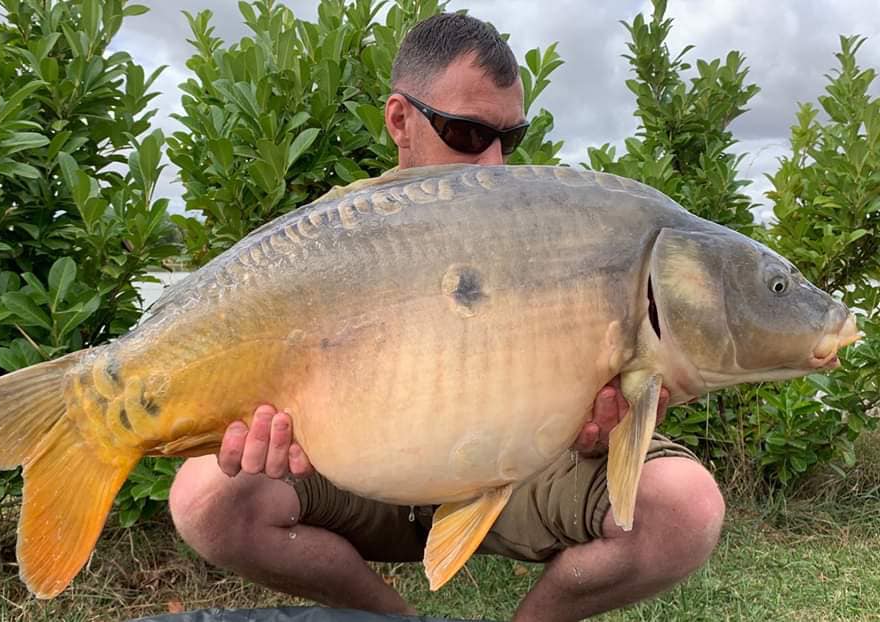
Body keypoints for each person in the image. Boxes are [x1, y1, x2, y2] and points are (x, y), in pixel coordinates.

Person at [169, 13, 725, 622]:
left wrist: (608, 421)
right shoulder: (328, 236)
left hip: (521, 464)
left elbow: (621, 374)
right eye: (466, 133)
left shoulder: (551, 222)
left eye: (509, 139)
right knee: (205, 497)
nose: (492, 164)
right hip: (365, 471)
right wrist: (257, 427)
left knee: (685, 506)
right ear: (399, 120)